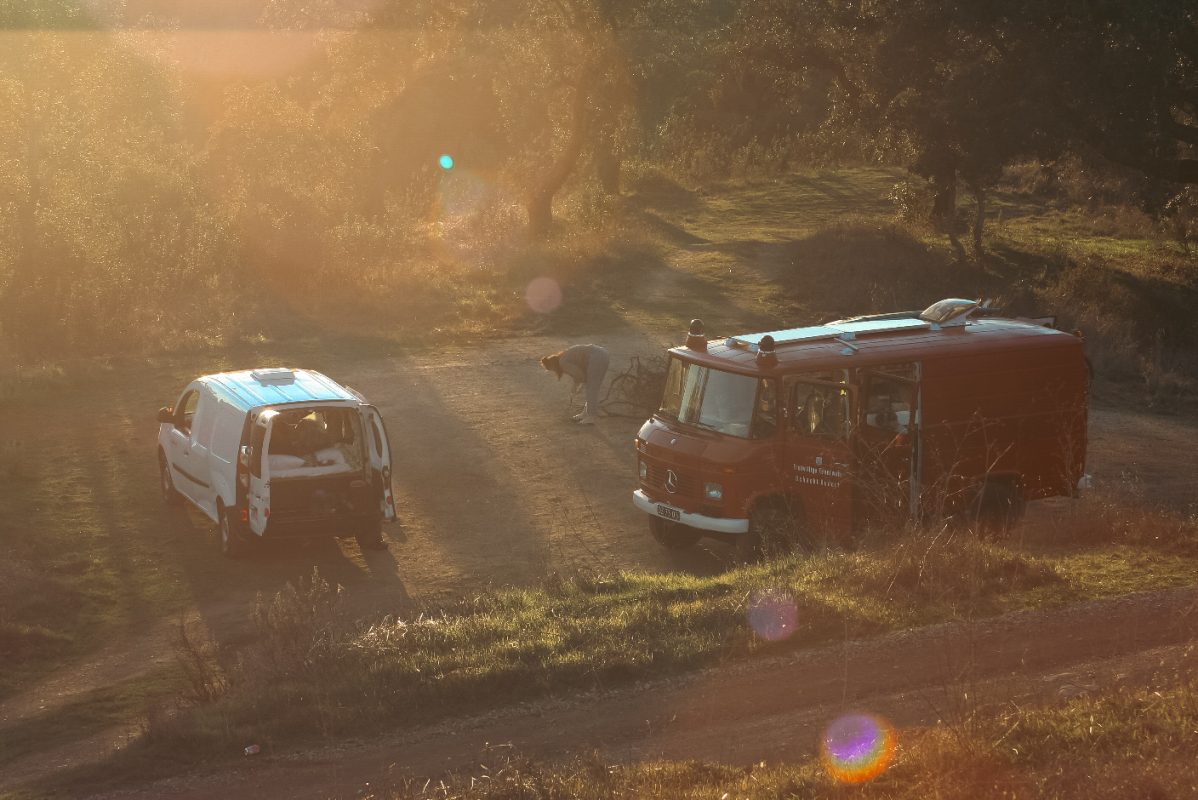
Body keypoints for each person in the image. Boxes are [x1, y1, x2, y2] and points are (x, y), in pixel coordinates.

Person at [540, 344, 610, 425]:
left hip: (597, 357)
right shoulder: (563, 357)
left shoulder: (563, 362)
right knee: (592, 387)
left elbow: (579, 374)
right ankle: (586, 413)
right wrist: (579, 385)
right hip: (602, 354)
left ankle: (591, 417)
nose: (554, 371)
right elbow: (581, 375)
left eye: (551, 369)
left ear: (552, 365)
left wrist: (575, 386)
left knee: (591, 388)